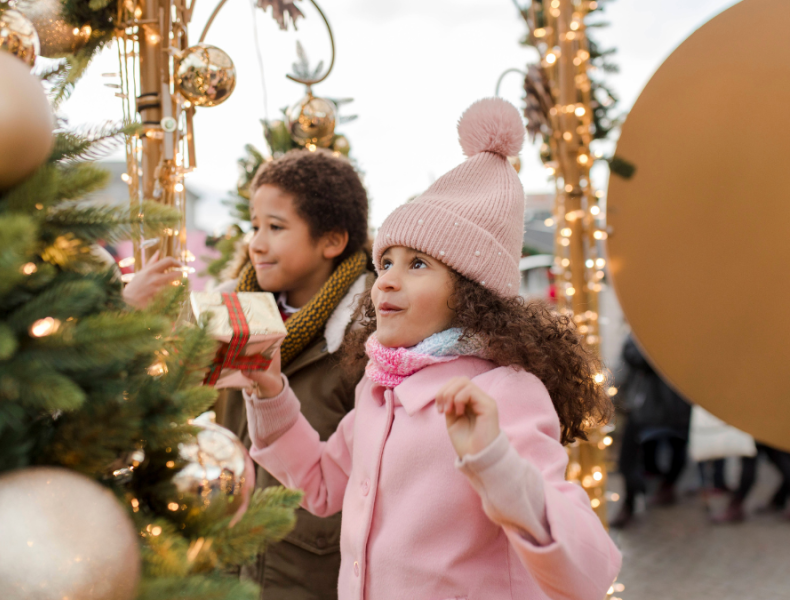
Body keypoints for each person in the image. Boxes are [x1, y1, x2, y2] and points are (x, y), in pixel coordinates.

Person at [242, 98, 621, 599]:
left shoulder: (502, 392)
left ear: (470, 291)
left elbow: (587, 572)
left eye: (417, 264)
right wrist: (270, 391)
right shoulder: (381, 389)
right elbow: (321, 484)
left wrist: (494, 460)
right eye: (387, 263)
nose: (386, 283)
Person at [215, 148, 373, 600]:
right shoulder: (231, 318)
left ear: (331, 241)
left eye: (276, 228)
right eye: (255, 226)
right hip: (231, 557)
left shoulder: (364, 337)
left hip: (312, 571)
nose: (257, 243)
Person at [611, 334, 692, 528]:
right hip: (662, 405)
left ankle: (651, 494)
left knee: (635, 459)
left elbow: (634, 359)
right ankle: (638, 498)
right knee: (637, 459)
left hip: (662, 406)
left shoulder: (647, 335)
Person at [713, 442, 790, 523]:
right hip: (768, 433)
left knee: (749, 465)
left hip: (756, 434)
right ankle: (778, 501)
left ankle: (735, 508)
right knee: (781, 459)